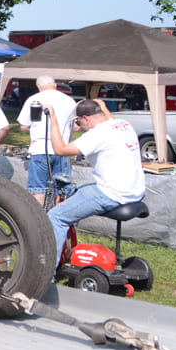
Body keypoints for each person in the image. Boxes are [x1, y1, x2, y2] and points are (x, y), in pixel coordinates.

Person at [44, 98, 146, 268]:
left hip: (111, 193)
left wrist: (52, 118)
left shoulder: (96, 135)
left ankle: (47, 273)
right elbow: (106, 117)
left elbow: (60, 149)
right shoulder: (123, 125)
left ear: (86, 119)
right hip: (134, 191)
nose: (79, 127)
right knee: (74, 193)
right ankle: (67, 250)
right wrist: (103, 106)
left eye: (79, 122)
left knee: (56, 217)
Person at [17, 74, 77, 205]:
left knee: (38, 189)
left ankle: (37, 221)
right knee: (62, 189)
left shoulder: (33, 100)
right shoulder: (69, 101)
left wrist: (34, 130)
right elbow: (75, 126)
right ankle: (61, 221)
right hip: (62, 149)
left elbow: (23, 126)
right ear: (55, 86)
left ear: (39, 86)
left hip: (40, 148)